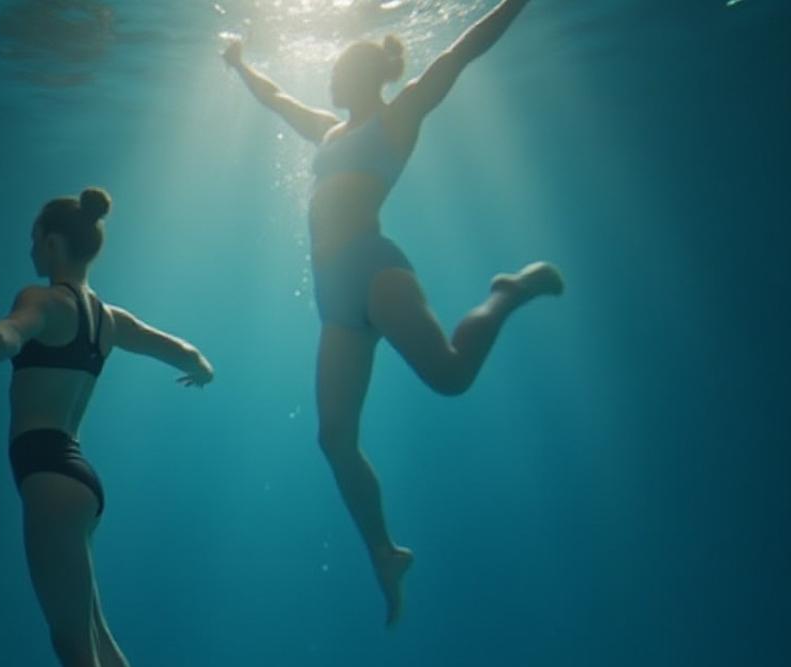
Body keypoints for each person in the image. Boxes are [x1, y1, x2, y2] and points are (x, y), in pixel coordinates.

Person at [224, 0, 563, 626]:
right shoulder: (329, 130)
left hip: (375, 269)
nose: (329, 78)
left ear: (362, 74)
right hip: (334, 300)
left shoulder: (399, 116)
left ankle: (507, 293)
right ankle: (384, 551)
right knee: (333, 439)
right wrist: (241, 65)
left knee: (451, 377)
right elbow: (276, 98)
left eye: (337, 70)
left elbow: (460, 53)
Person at [0, 187, 216, 667]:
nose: (30, 249)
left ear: (53, 242)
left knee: (73, 647)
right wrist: (199, 367)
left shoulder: (43, 299)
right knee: (94, 633)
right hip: (79, 477)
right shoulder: (108, 318)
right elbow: (179, 349)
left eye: (35, 238)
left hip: (48, 479)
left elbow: (12, 330)